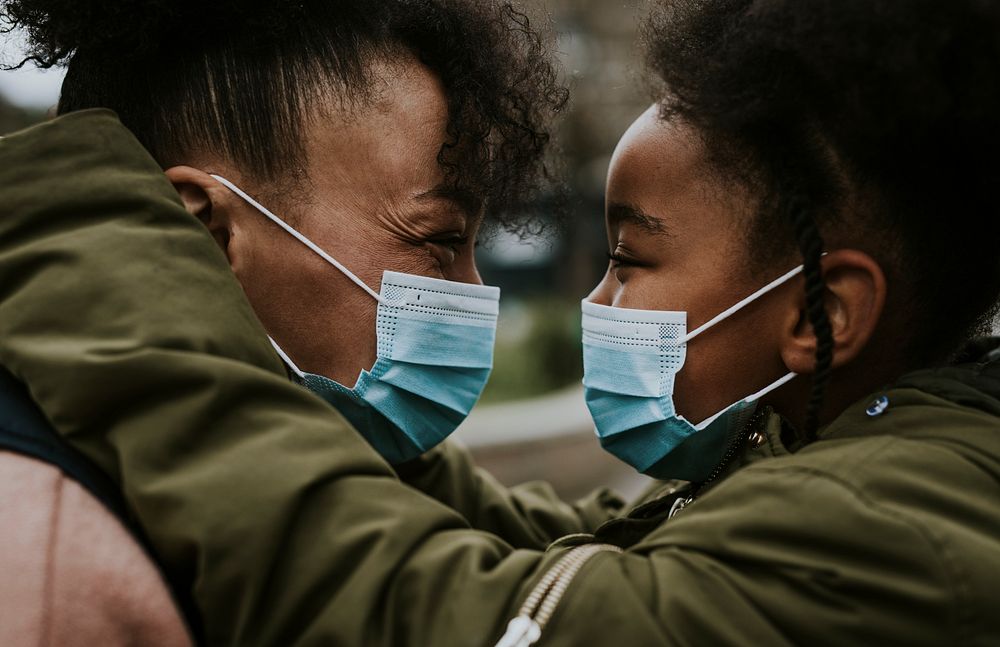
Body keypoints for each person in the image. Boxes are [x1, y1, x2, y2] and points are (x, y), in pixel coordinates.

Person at [1, 1, 999, 646]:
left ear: (824, 314)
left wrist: (109, 274)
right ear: (200, 234)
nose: (476, 294)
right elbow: (552, 543)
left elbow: (450, 609)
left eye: (629, 260)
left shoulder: (892, 521)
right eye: (435, 239)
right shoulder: (43, 556)